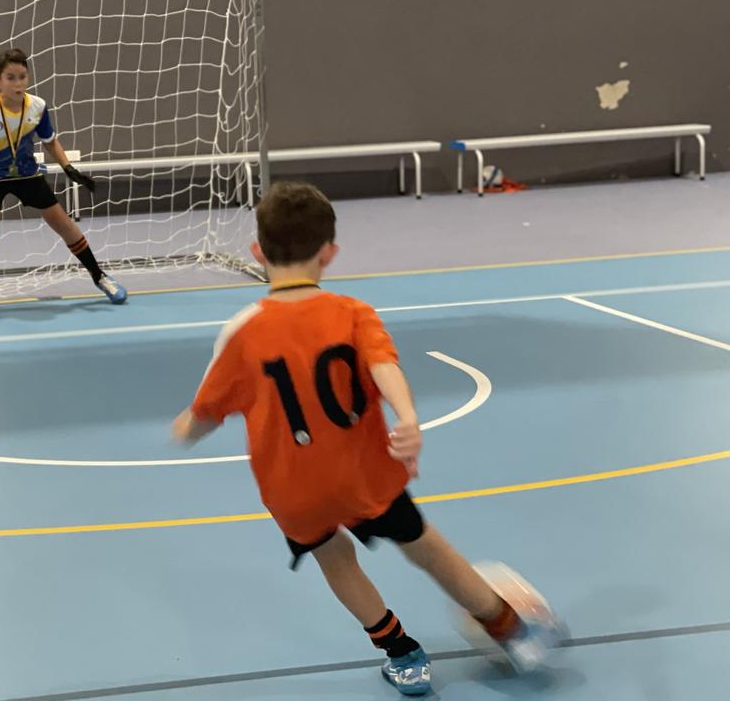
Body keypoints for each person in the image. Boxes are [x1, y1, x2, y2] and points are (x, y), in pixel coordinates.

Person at [171, 181, 563, 695]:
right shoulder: (354, 313)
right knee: (429, 551)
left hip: (294, 487)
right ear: (329, 253)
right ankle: (510, 630)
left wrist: (183, 428)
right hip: (364, 471)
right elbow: (384, 365)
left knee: (336, 561)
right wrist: (407, 418)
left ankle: (402, 653)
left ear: (258, 253)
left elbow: (202, 417)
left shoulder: (242, 333)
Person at [0, 48, 127, 316]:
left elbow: (50, 142)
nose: (18, 83)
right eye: (10, 77)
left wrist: (68, 168)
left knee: (64, 224)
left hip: (28, 175)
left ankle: (100, 276)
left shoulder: (37, 106)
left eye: (22, 76)